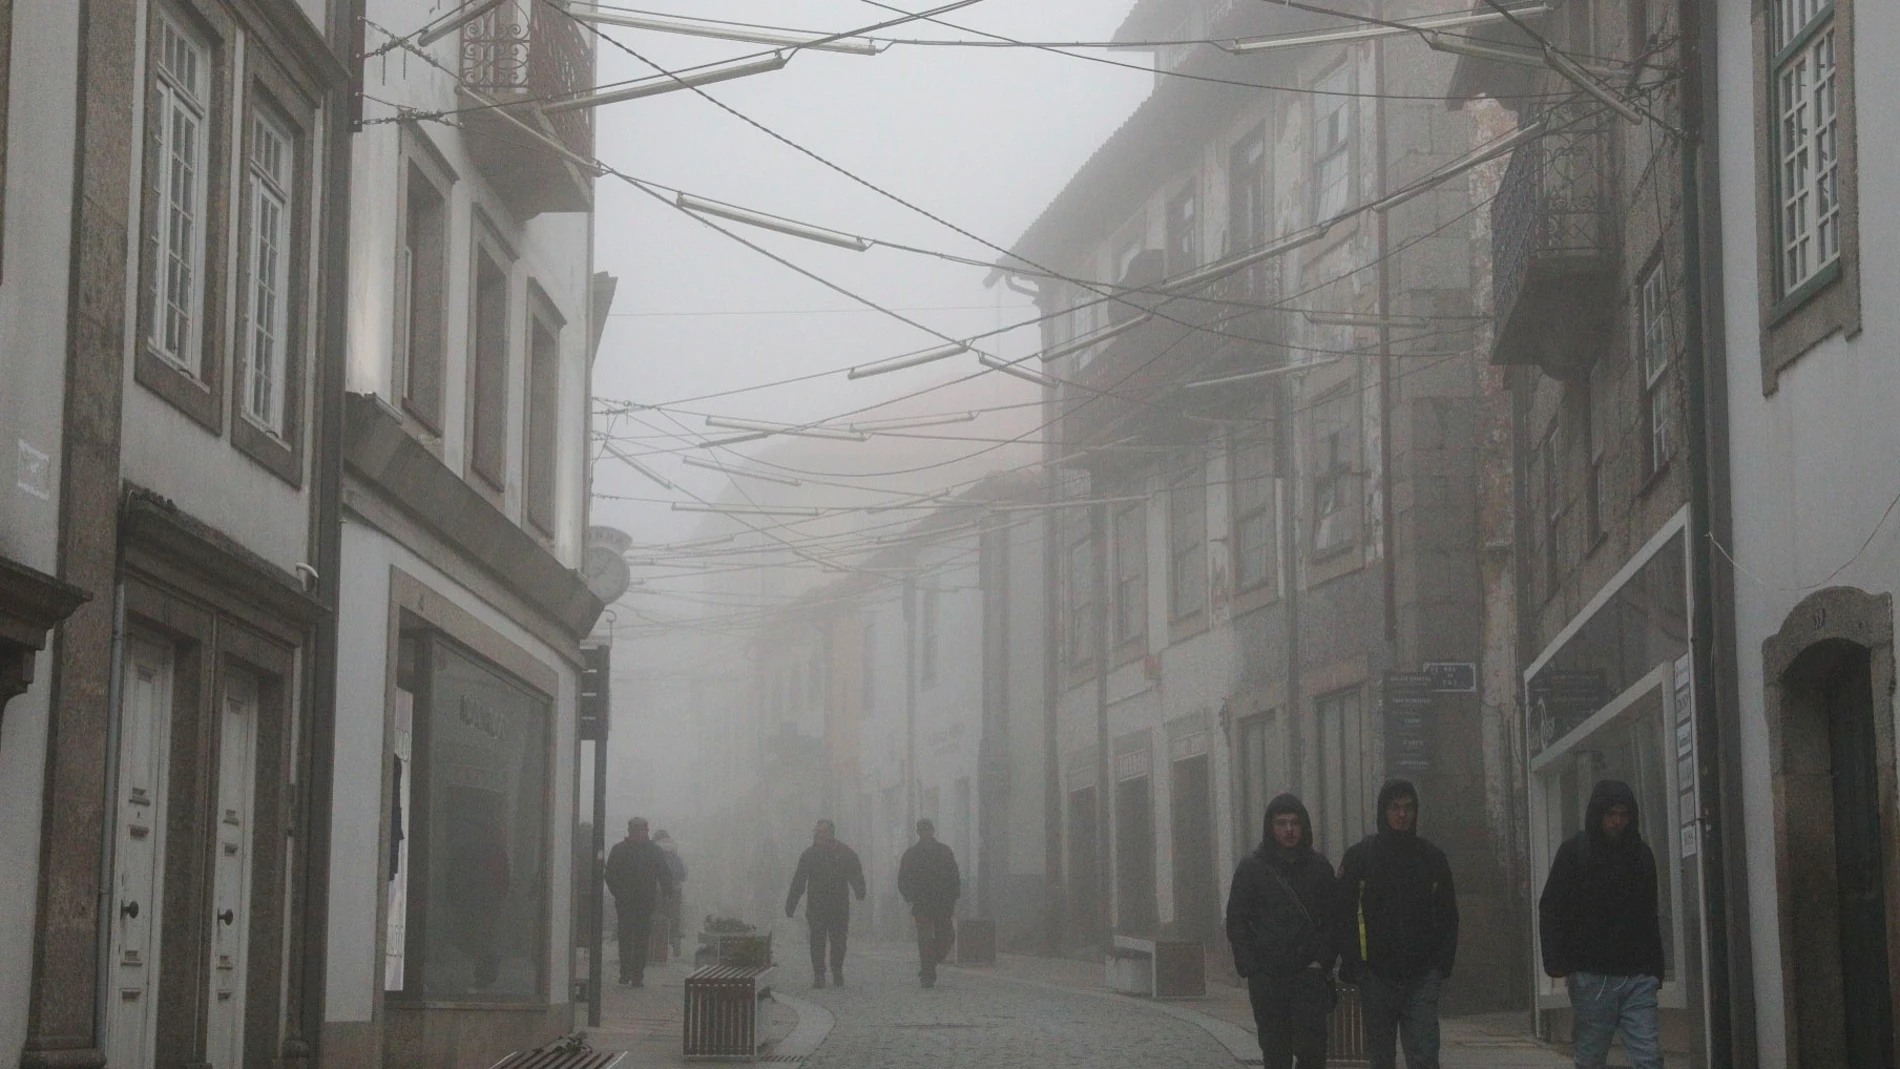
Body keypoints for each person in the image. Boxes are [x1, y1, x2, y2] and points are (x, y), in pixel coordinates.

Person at [1538, 780, 1665, 1069]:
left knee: (1648, 1057)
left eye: (1623, 814)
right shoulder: (1574, 852)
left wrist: (1655, 970)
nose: (1617, 822)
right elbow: (1551, 906)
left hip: (1638, 975)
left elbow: (1649, 914)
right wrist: (1554, 960)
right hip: (1591, 975)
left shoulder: (1642, 856)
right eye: (1610, 814)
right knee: (1591, 1058)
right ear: (1598, 814)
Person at [1337, 780, 1459, 1069]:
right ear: (1383, 811)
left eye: (1408, 808)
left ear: (1416, 812)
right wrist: (1357, 965)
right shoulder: (1360, 858)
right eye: (1394, 807)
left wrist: (1440, 965)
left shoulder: (1432, 859)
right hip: (1376, 976)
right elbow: (1343, 914)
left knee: (1425, 1056)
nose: (1402, 815)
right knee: (1381, 1058)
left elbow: (1447, 916)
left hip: (1422, 977)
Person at [1227, 794, 1338, 1069]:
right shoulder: (1252, 869)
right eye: (1281, 823)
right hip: (1268, 977)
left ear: (1304, 826)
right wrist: (1251, 967)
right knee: (1276, 1054)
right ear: (1270, 827)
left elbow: (1335, 920)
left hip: (1308, 976)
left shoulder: (1319, 868)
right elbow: (1236, 920)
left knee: (1312, 1053)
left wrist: (1322, 961)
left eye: (1294, 823)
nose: (1289, 830)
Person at [785, 819, 867, 988]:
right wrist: (791, 903)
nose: (818, 835)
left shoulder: (844, 853)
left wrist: (860, 890)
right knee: (817, 940)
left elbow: (855, 873)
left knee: (838, 941)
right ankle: (819, 974)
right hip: (816, 905)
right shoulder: (809, 855)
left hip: (839, 905)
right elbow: (799, 880)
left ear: (831, 833)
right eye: (817, 831)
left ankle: (837, 970)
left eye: (822, 832)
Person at [604, 817, 675, 987]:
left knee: (640, 938)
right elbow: (610, 876)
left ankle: (636, 975)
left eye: (641, 829)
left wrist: (666, 892)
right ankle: (627, 972)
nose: (639, 832)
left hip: (643, 901)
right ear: (630, 830)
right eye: (636, 829)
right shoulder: (622, 850)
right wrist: (619, 893)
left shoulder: (649, 851)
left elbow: (664, 873)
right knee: (627, 937)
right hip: (628, 901)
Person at [897, 818, 960, 987]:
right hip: (922, 904)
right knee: (925, 939)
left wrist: (953, 896)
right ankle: (927, 974)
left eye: (928, 830)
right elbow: (903, 877)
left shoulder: (944, 852)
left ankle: (929, 965)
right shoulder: (911, 854)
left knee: (947, 937)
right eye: (922, 830)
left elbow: (954, 875)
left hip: (943, 904)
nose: (925, 833)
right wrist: (910, 896)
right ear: (918, 833)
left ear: (932, 831)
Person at [655, 830, 688, 957]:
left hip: (659, 891)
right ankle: (676, 945)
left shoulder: (655, 850)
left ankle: (658, 946)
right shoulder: (676, 855)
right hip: (675, 891)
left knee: (658, 917)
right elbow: (684, 875)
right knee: (675, 919)